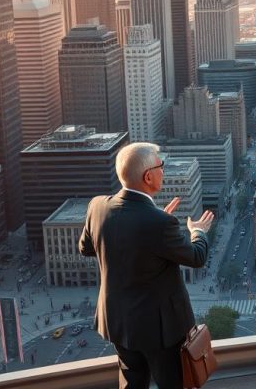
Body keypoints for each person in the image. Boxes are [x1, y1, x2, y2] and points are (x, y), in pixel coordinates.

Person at [79, 142, 215, 389]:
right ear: (148, 176)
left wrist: (152, 229)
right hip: (161, 331)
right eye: (161, 166)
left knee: (132, 383)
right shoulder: (159, 223)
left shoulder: (97, 206)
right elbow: (196, 257)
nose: (164, 170)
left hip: (119, 323)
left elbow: (86, 247)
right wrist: (198, 232)